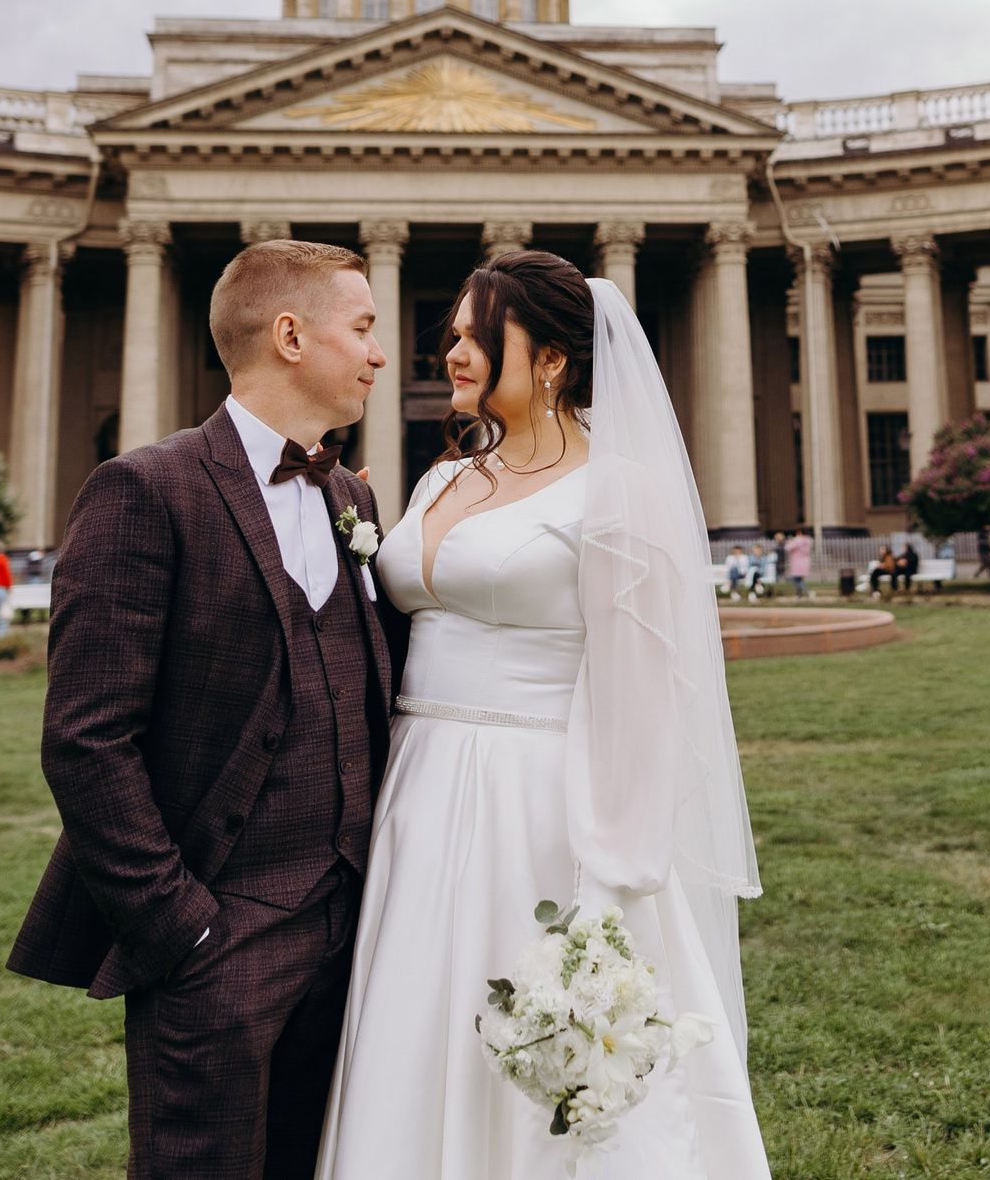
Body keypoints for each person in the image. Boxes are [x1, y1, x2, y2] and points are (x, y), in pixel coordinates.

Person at [309, 249, 768, 1176]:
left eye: (481, 333)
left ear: (552, 358)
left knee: (539, 1048)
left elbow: (643, 704)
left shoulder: (619, 491)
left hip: (540, 805)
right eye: (452, 333)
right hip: (418, 792)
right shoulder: (443, 479)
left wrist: (612, 881)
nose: (454, 349)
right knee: (413, 1023)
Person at [9, 237, 405, 1179]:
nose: (381, 353)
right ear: (290, 336)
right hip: (216, 936)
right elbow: (86, 738)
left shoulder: (353, 492)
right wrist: (179, 927)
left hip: (352, 932)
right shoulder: (145, 488)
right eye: (363, 328)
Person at [782, 527, 812, 598]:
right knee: (799, 579)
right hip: (805, 561)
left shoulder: (798, 540)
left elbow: (788, 547)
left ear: (799, 532)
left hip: (797, 562)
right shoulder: (808, 540)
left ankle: (808, 591)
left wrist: (789, 541)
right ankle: (799, 595)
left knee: (795, 579)